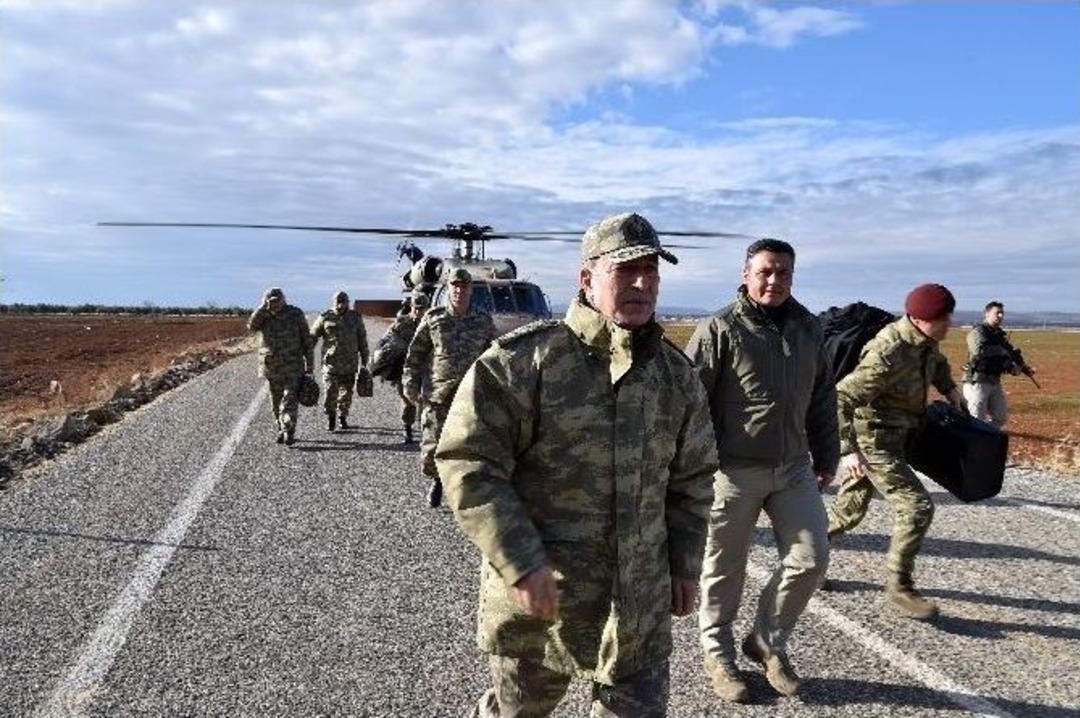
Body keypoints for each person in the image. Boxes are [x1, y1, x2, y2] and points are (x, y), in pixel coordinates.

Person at [435, 212, 719, 717]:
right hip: (544, 605)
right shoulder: (523, 363)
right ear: (587, 279)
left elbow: (692, 480)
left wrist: (684, 564)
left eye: (651, 270)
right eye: (624, 270)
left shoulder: (676, 377)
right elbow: (468, 461)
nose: (641, 282)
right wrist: (519, 560)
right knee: (518, 712)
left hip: (638, 606)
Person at [686, 238, 839, 702]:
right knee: (722, 569)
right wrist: (691, 468)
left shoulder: (808, 328)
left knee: (811, 560)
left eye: (784, 273)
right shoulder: (720, 328)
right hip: (731, 472)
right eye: (766, 272)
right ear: (747, 273)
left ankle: (767, 641)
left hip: (792, 468)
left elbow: (822, 397)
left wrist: (827, 455)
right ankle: (719, 657)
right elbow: (690, 404)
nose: (774, 281)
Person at [825, 283, 966, 619]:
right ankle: (900, 586)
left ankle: (802, 557)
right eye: (942, 317)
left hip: (900, 436)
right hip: (874, 441)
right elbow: (840, 398)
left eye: (948, 315)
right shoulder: (888, 352)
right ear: (918, 318)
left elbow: (937, 363)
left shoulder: (927, 342)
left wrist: (950, 390)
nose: (948, 322)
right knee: (917, 506)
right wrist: (848, 452)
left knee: (850, 510)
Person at [403, 268, 496, 508]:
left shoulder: (483, 320)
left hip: (471, 394)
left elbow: (494, 357)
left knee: (470, 445)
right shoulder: (434, 318)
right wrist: (410, 383)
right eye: (454, 285)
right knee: (432, 446)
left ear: (469, 290)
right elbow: (416, 353)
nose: (458, 290)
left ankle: (463, 488)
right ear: (449, 288)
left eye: (463, 286)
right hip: (438, 393)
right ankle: (437, 480)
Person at [247, 287, 314, 445]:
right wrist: (263, 308)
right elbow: (251, 327)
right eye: (271, 300)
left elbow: (306, 339)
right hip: (272, 366)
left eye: (278, 299)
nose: (275, 303)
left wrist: (310, 364)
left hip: (293, 365)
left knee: (290, 398)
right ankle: (281, 427)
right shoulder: (264, 315)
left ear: (284, 299)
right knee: (276, 401)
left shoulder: (295, 313)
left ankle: (289, 429)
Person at [962, 300, 1035, 427]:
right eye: (997, 313)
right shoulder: (977, 332)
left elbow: (1011, 353)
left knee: (1000, 418)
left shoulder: (999, 336)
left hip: (994, 382)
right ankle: (973, 441)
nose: (1001, 316)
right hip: (977, 382)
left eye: (1002, 313)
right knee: (976, 419)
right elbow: (979, 350)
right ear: (987, 314)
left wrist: (1021, 367)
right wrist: (1002, 351)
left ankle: (985, 437)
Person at [310, 290, 369, 432]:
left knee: (347, 392)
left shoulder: (355, 318)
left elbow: (362, 339)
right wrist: (305, 352)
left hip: (350, 363)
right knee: (330, 391)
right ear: (334, 303)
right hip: (331, 363)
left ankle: (343, 417)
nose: (341, 305)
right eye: (338, 303)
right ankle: (331, 417)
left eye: (344, 302)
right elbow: (313, 336)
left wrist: (365, 361)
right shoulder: (325, 317)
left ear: (348, 302)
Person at [381, 293, 429, 443]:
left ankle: (426, 432)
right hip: (405, 369)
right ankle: (407, 429)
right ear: (411, 307)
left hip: (425, 368)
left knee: (424, 400)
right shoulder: (401, 323)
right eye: (416, 308)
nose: (419, 312)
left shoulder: (432, 322)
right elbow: (386, 340)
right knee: (407, 399)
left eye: (422, 309)